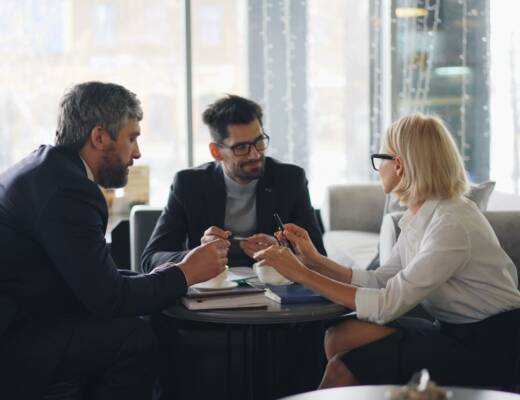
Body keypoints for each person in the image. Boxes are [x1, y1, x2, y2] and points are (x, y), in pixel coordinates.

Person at [254, 113, 520, 388]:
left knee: (342, 369)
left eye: (381, 158)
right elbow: (382, 280)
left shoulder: (452, 223)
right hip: (454, 330)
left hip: (492, 346)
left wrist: (301, 273)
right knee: (339, 336)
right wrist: (313, 261)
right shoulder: (421, 216)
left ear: (400, 166)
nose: (378, 167)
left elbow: (386, 305)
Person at [0, 82, 229, 400]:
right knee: (134, 338)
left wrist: (174, 274)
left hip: (27, 320)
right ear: (99, 137)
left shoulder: (46, 170)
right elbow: (108, 298)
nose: (137, 152)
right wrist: (185, 274)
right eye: (132, 137)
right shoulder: (69, 190)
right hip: (15, 342)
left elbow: (93, 279)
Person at [141, 94, 325, 271]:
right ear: (216, 152)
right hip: (210, 292)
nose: (255, 154)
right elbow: (151, 259)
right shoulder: (189, 184)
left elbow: (319, 257)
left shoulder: (290, 180)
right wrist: (197, 255)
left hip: (274, 289)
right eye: (242, 147)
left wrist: (281, 249)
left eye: (259, 142)